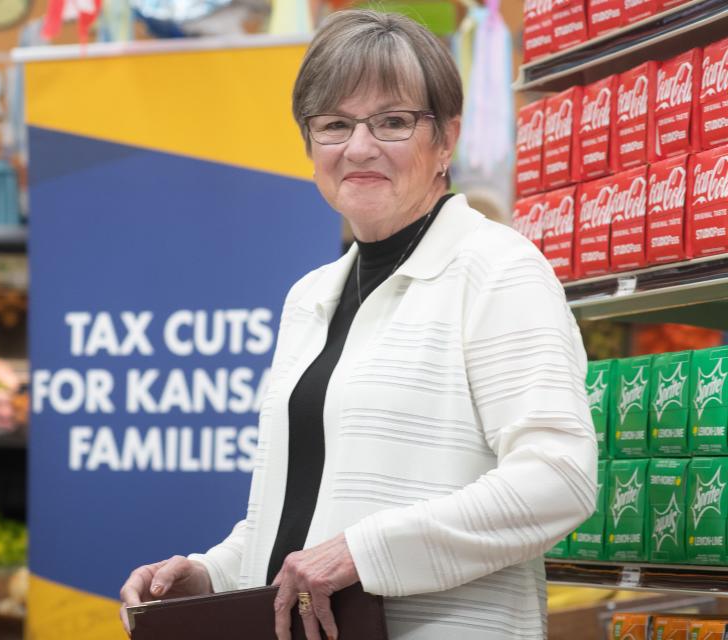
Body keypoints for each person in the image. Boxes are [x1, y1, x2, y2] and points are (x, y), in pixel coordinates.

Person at [120, 9, 596, 640]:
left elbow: (558, 478)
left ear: (446, 138)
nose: (359, 147)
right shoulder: (309, 297)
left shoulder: (498, 270)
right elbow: (295, 520)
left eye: (393, 121)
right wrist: (210, 575)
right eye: (335, 125)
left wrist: (365, 554)